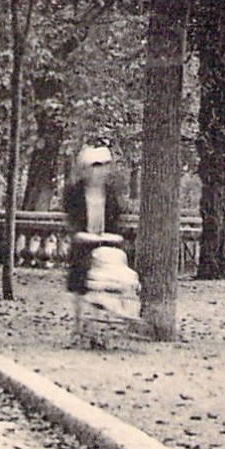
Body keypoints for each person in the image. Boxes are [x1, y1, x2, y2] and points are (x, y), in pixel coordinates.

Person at [62, 142, 126, 343]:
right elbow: (72, 221)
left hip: (107, 243)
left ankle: (104, 322)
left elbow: (116, 221)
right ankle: (79, 324)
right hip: (83, 243)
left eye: (102, 167)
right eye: (94, 167)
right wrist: (79, 234)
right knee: (82, 274)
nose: (98, 173)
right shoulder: (74, 192)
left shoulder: (111, 194)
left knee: (117, 270)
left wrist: (113, 236)